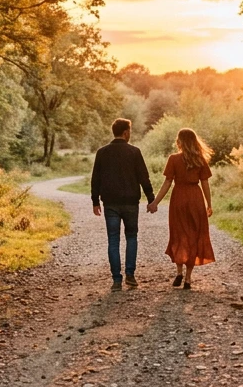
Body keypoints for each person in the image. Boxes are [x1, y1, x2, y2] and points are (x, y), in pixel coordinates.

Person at [147, 128, 215, 289]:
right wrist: (209, 204)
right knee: (193, 236)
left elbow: (167, 183)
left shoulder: (173, 159)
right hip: (195, 198)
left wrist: (155, 202)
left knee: (179, 235)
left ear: (180, 142)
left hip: (178, 198)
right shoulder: (200, 160)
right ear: (194, 141)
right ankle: (188, 278)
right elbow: (205, 184)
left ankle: (179, 272)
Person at [91, 118, 154, 290]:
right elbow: (143, 177)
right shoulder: (134, 152)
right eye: (130, 131)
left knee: (113, 239)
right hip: (131, 202)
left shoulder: (102, 152)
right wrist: (151, 199)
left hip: (110, 203)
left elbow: (95, 178)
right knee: (131, 237)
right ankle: (130, 275)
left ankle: (116, 280)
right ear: (126, 132)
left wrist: (95, 201)